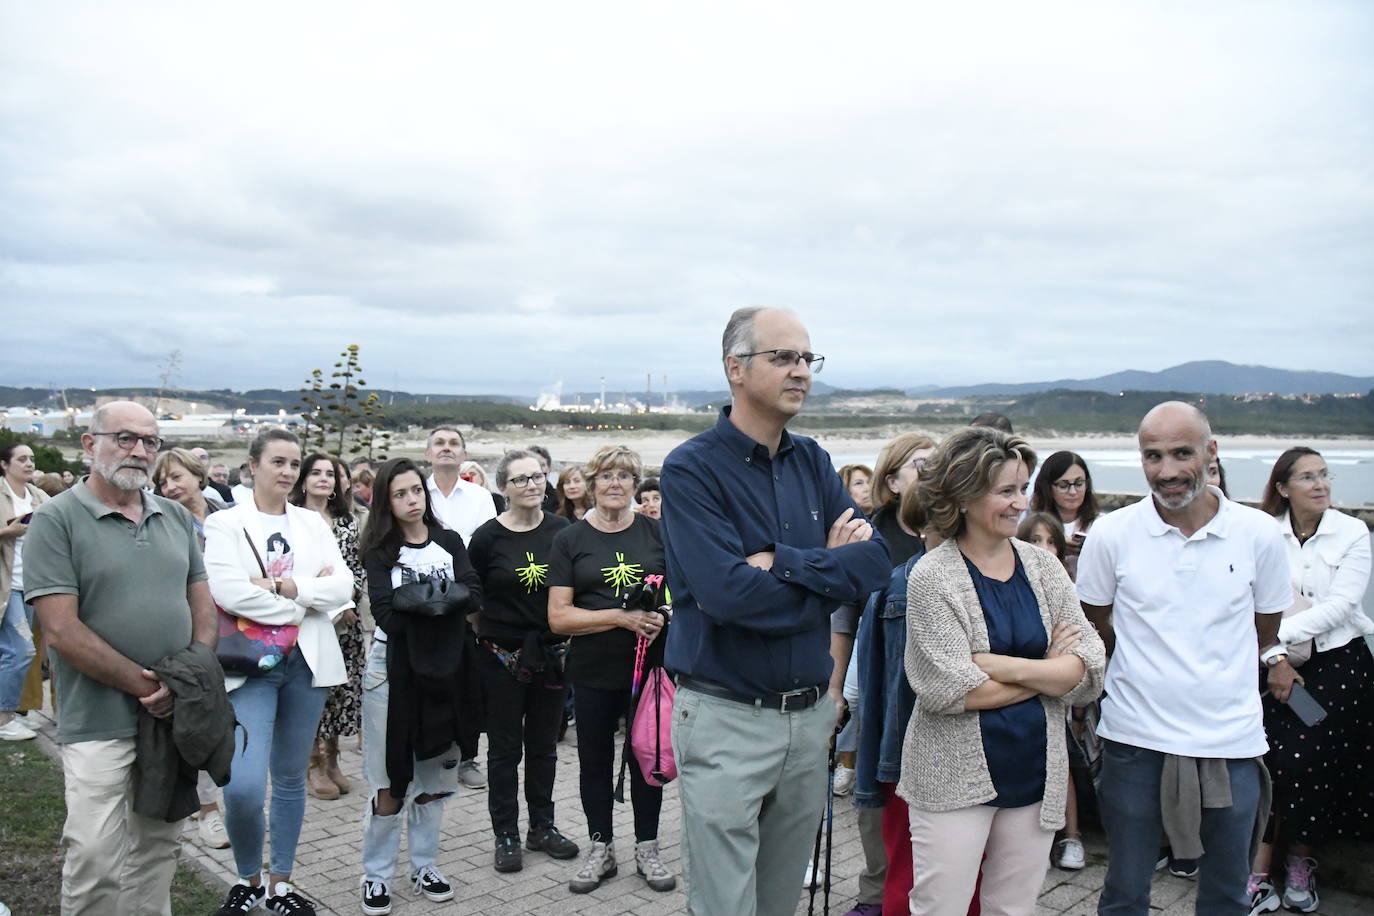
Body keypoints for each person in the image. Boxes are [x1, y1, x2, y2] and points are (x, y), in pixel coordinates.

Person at [660, 307, 890, 916]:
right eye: (784, 357)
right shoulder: (691, 469)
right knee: (724, 904)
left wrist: (780, 562)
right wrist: (827, 570)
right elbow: (728, 596)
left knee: (779, 901)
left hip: (809, 719)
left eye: (808, 358)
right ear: (735, 368)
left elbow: (874, 565)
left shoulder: (812, 459)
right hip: (726, 716)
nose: (801, 371)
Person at [1077, 402, 1292, 915]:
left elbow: (1265, 629)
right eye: (1153, 456)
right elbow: (1096, 625)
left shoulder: (1258, 533)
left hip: (1231, 741)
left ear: (1211, 452)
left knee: (1226, 894)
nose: (1167, 471)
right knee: (1125, 891)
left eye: (1181, 453)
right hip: (1134, 739)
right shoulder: (1111, 533)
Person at [899, 426, 1105, 915]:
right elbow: (951, 691)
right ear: (964, 496)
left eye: (1023, 488)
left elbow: (1090, 666)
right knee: (940, 907)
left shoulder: (1044, 567)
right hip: (952, 777)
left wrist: (1001, 667)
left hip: (1035, 770)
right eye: (1005, 491)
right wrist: (1050, 672)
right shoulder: (932, 576)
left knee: (1013, 908)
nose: (1020, 503)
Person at [23, 401, 217, 914]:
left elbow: (203, 608)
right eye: (125, 438)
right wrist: (150, 687)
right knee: (95, 857)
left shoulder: (175, 517)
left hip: (170, 719)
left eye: (150, 441)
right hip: (98, 719)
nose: (139, 451)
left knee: (157, 847)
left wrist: (188, 679)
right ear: (90, 444)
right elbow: (61, 630)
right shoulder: (55, 520)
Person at [204, 428, 354, 916]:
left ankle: (280, 884)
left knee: (290, 777)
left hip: (305, 664)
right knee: (244, 786)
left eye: (294, 463)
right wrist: (307, 601)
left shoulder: (312, 523)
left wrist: (283, 588)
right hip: (250, 666)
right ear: (253, 465)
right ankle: (247, 878)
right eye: (278, 462)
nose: (288, 472)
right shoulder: (225, 523)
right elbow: (228, 592)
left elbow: (344, 589)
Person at [1246, 447, 1373, 913]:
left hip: (1338, 661)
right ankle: (1258, 872)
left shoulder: (1351, 532)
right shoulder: (1264, 532)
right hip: (1274, 658)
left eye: (1324, 475)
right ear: (1282, 487)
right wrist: (1274, 656)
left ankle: (1300, 861)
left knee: (1309, 761)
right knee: (1266, 757)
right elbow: (1250, 597)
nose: (1320, 484)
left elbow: (1342, 606)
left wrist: (1274, 635)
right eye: (1307, 477)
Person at [357, 457, 482, 915]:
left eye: (416, 490)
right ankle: (376, 874)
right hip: (392, 670)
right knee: (390, 779)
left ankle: (424, 865)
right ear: (386, 502)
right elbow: (385, 615)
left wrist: (420, 602)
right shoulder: (380, 552)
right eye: (400, 494)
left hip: (445, 668)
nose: (412, 500)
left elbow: (473, 591)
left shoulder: (448, 542)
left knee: (435, 776)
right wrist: (442, 603)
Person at [549, 444, 676, 894]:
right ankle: (600, 847)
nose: (615, 484)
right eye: (606, 476)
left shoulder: (658, 533)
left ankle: (648, 847)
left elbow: (681, 595)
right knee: (595, 761)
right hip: (592, 669)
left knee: (648, 756)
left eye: (624, 475)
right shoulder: (569, 540)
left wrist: (664, 615)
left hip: (650, 669)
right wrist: (621, 618)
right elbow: (559, 617)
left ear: (635, 485)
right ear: (592, 483)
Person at [468, 450, 580, 874]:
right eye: (520, 479)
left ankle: (542, 826)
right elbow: (473, 599)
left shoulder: (562, 531)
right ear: (503, 488)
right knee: (503, 750)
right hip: (502, 657)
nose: (532, 485)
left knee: (543, 746)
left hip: (551, 655)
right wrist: (493, 639)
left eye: (537, 477)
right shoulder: (486, 538)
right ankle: (506, 833)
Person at [152, 447, 232, 850]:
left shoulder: (227, 514)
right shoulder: (163, 522)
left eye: (176, 476)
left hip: (236, 627)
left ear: (198, 476)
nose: (170, 486)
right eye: (163, 481)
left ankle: (227, 800)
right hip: (189, 629)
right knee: (199, 716)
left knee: (225, 718)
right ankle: (208, 810)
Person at [289, 453, 367, 802]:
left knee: (340, 693)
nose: (323, 479)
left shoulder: (347, 522)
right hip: (307, 619)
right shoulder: (291, 520)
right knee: (312, 692)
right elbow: (297, 573)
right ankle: (312, 764)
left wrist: (347, 601)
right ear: (303, 480)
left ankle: (332, 759)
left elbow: (355, 569)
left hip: (346, 622)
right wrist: (328, 597)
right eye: (316, 473)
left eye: (330, 474)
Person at [424, 425, 496, 788]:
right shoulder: (417, 493)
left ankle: (468, 757)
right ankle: (432, 754)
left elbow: (486, 547)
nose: (446, 448)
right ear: (428, 453)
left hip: (468, 601)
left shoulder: (480, 497)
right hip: (423, 603)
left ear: (464, 454)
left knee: (468, 683)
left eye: (454, 443)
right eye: (439, 443)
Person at [1, 442, 45, 741]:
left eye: (31, 458)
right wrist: (8, 532)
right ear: (5, 465)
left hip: (31, 584)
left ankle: (10, 713)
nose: (29, 463)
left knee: (16, 651)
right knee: (21, 649)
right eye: (22, 459)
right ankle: (4, 718)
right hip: (6, 585)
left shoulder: (39, 496)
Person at [1029, 451, 1100, 573]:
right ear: (1047, 487)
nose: (1072, 492)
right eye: (1063, 485)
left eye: (1079, 484)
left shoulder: (1101, 524)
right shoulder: (1032, 525)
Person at [526, 444, 559, 513]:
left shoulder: (560, 497)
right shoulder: (517, 495)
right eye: (533, 464)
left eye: (542, 465)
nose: (538, 469)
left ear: (549, 468)